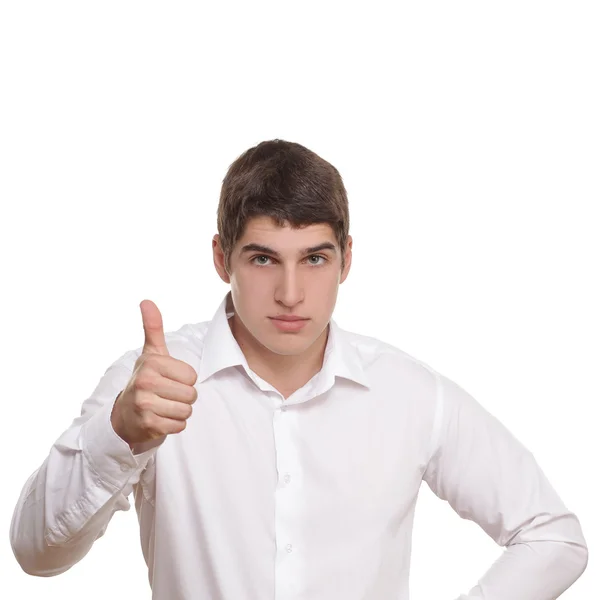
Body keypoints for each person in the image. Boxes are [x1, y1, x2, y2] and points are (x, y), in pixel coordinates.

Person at [10, 139, 588, 599]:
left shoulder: (409, 393)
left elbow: (553, 535)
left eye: (314, 258)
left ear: (347, 260)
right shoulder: (153, 383)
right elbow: (36, 555)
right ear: (221, 258)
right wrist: (120, 436)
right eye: (263, 259)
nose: (291, 293)